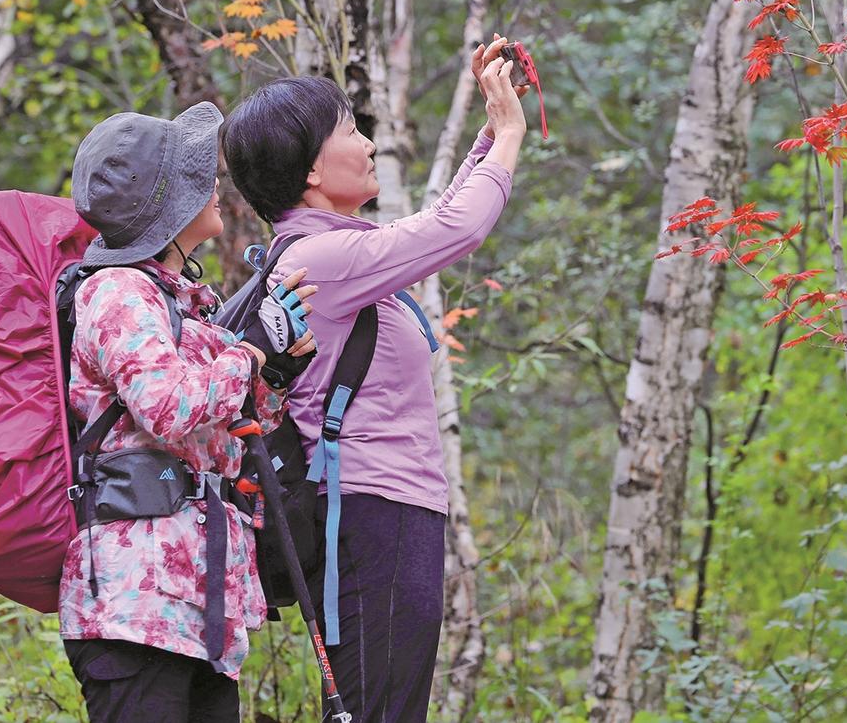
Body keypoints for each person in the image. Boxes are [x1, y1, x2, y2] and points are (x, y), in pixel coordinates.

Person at [221, 38, 529, 723]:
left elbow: (434, 225)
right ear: (310, 171)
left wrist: (488, 135)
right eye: (350, 131)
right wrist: (510, 134)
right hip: (369, 511)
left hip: (380, 509)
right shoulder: (324, 258)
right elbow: (456, 228)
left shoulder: (335, 252)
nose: (367, 144)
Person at [59, 101, 319, 723]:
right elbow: (167, 406)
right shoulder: (117, 292)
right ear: (168, 208)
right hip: (135, 603)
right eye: (199, 180)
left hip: (198, 606)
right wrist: (250, 356)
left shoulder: (184, 304)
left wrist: (275, 370)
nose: (216, 188)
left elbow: (231, 432)